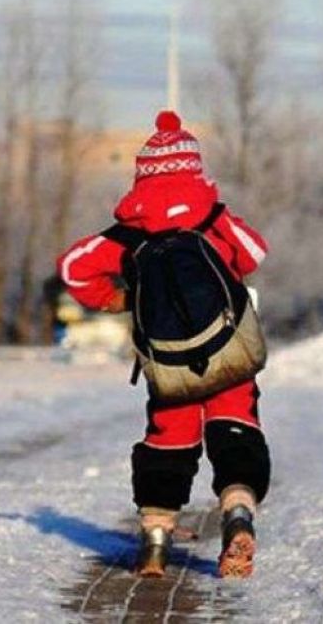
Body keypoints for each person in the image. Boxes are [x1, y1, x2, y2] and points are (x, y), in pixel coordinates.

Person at [56, 111, 270, 578]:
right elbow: (254, 253)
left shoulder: (130, 232)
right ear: (194, 169)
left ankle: (155, 542)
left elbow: (73, 267)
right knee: (236, 431)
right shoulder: (213, 217)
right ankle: (237, 517)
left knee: (168, 440)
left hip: (168, 365)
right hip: (230, 354)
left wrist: (115, 298)